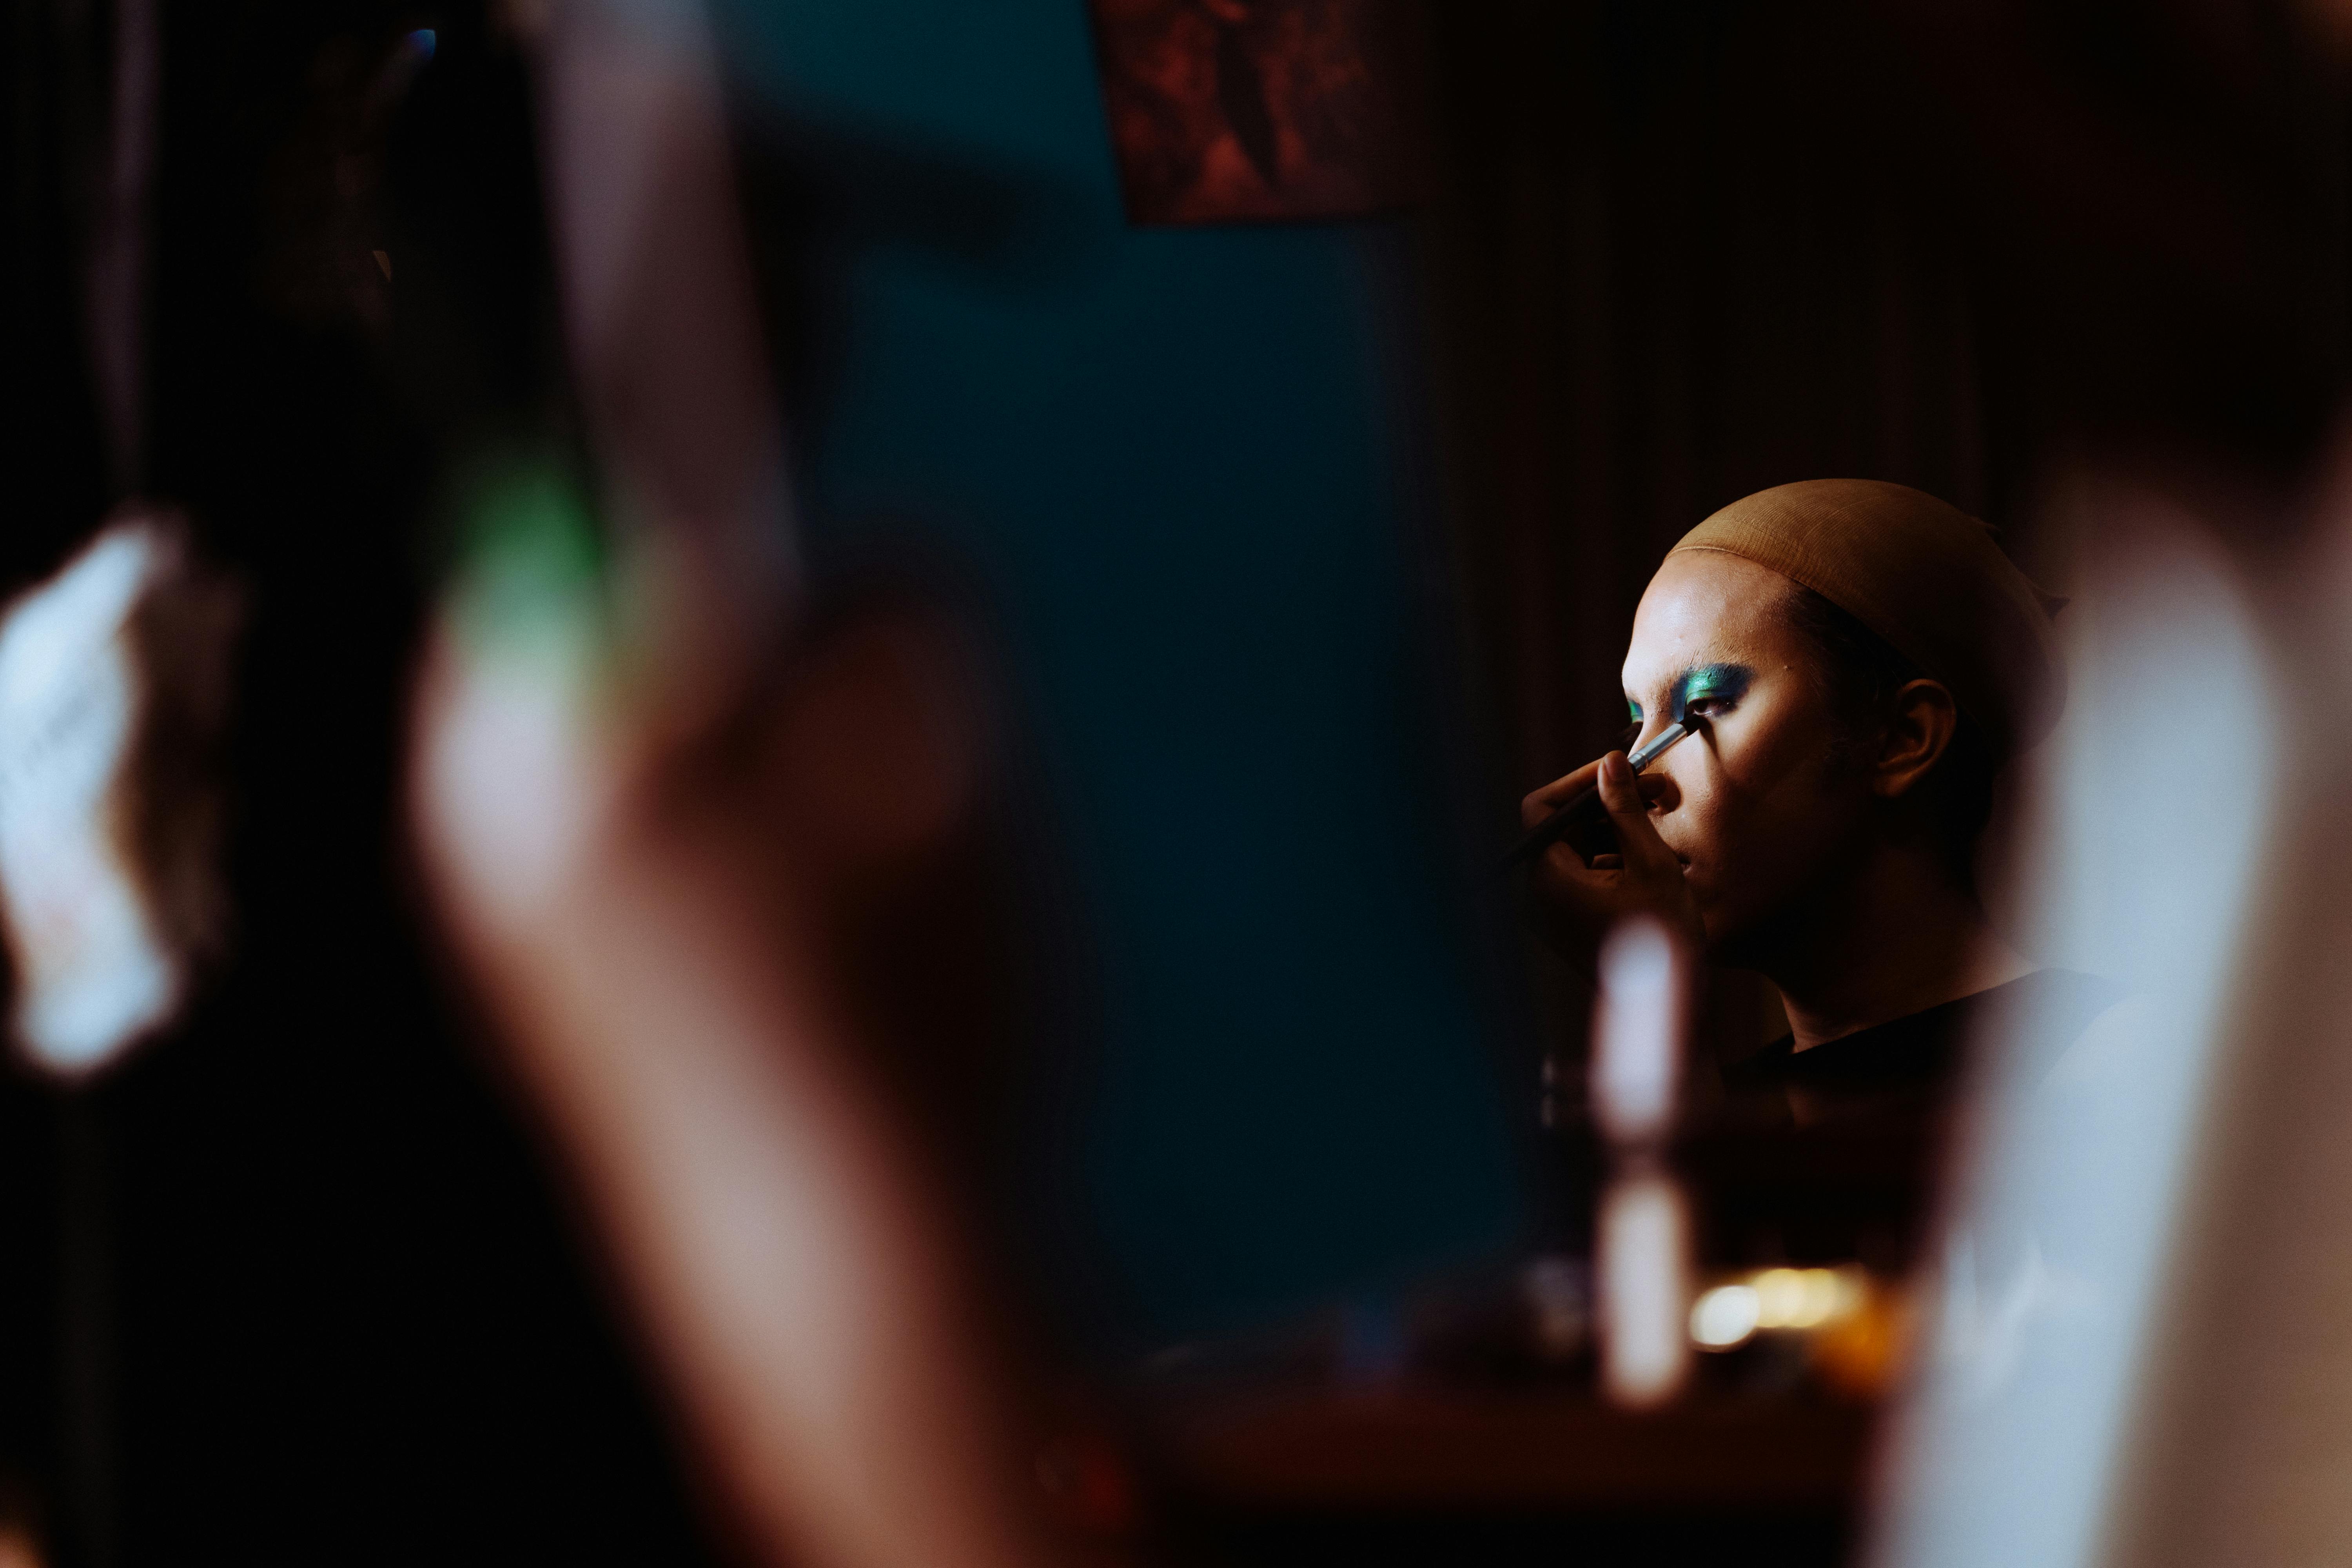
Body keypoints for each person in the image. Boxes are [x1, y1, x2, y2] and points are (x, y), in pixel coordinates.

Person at [1521, 478, 2115, 1263]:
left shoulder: (2104, 1072)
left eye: (1702, 711)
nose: (1635, 778)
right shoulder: (1719, 1101)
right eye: (1639, 722)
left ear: (1903, 736)